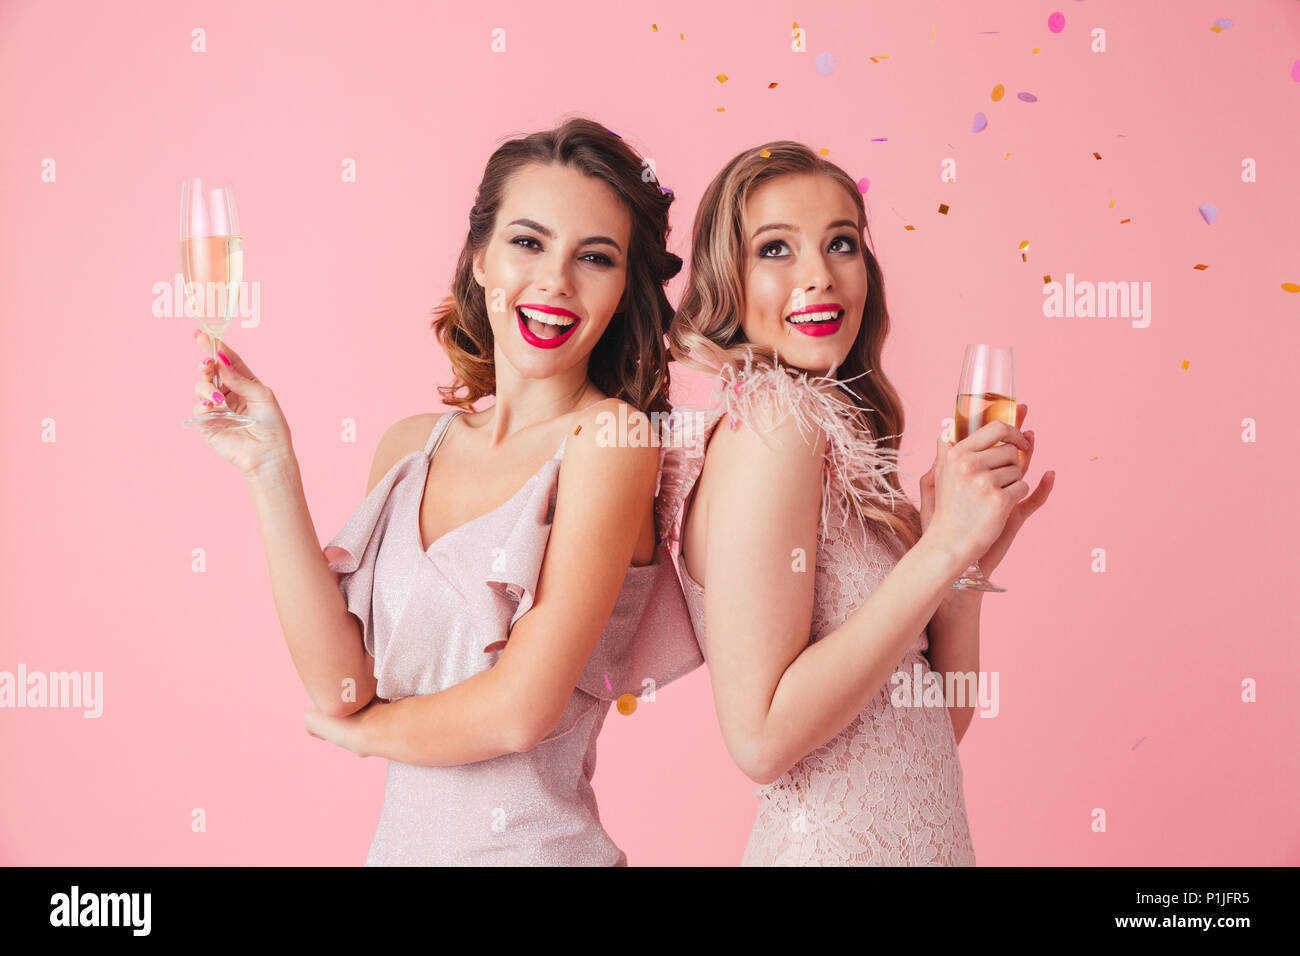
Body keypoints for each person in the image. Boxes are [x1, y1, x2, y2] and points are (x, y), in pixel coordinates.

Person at [189, 118, 702, 865]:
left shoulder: (611, 443)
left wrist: (363, 735)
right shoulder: (409, 448)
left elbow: (519, 711)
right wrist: (271, 470)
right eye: (528, 242)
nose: (555, 281)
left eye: (595, 257)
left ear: (625, 289)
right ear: (480, 259)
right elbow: (340, 685)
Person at [657, 141, 1055, 865]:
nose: (820, 276)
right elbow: (761, 738)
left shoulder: (828, 438)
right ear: (727, 280)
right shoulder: (775, 422)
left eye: (840, 243)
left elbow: (931, 730)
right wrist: (938, 551)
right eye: (775, 249)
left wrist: (961, 574)